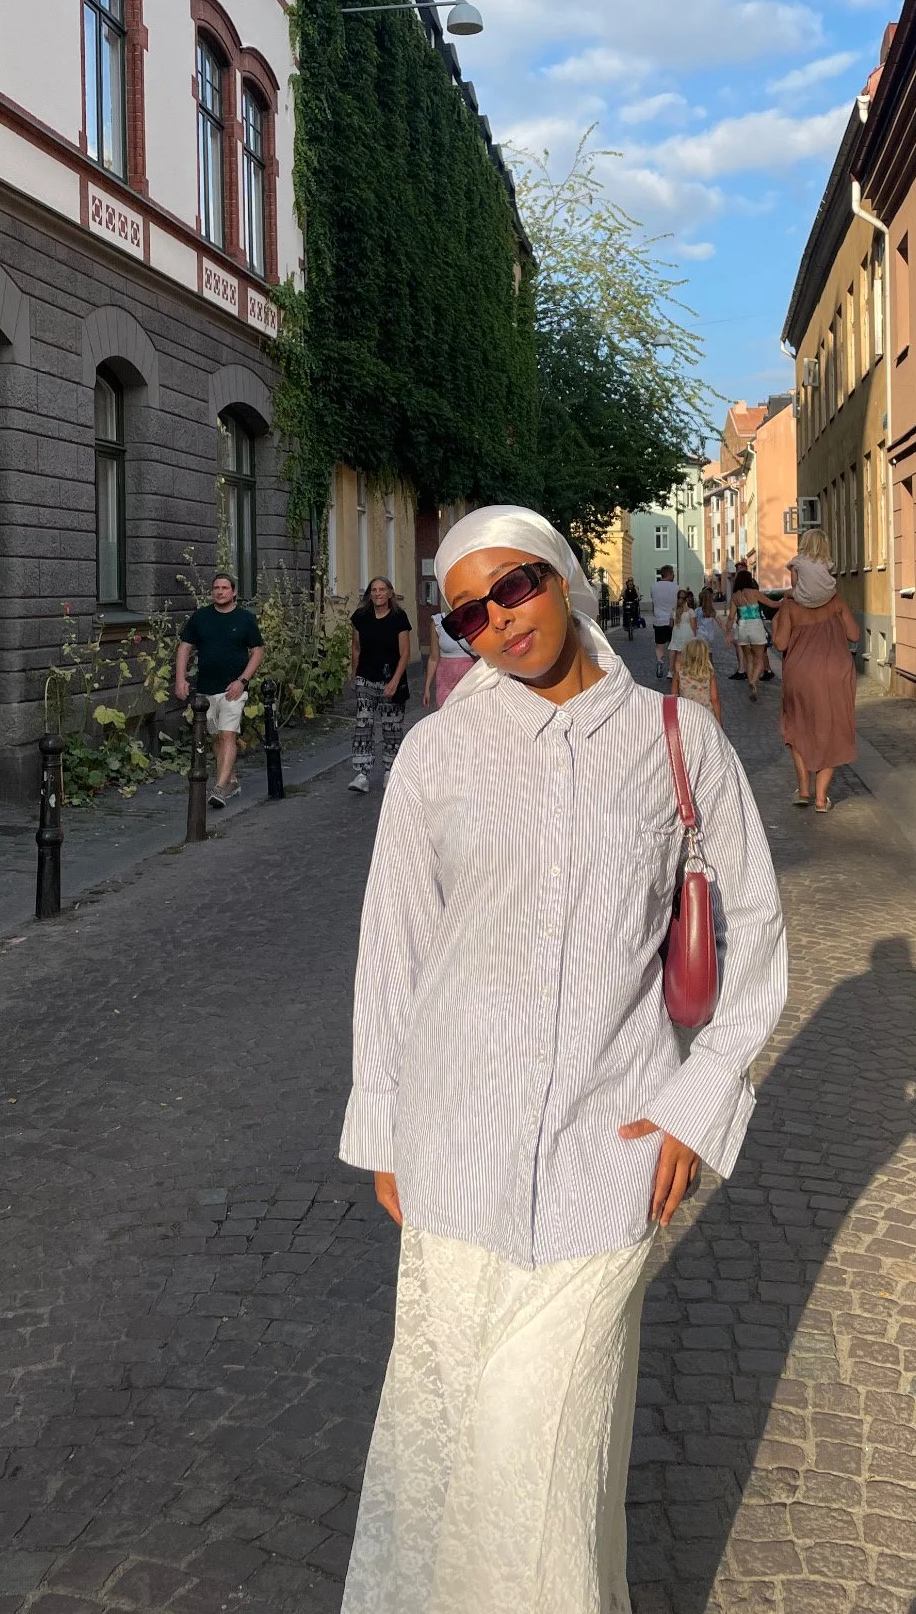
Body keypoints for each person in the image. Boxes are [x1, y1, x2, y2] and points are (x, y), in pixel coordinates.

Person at [338, 504, 787, 1614]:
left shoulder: (677, 741)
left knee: (539, 1442)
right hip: (456, 1143)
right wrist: (385, 1123)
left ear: (563, 578)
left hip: (605, 1150)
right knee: (440, 1434)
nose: (500, 620)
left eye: (516, 586)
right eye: (468, 613)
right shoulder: (439, 754)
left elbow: (755, 929)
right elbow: (393, 948)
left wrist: (696, 1100)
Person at [770, 528, 860, 812]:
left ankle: (804, 790)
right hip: (836, 673)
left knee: (798, 729)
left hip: (800, 675)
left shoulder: (791, 606)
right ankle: (821, 798)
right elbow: (854, 635)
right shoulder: (835, 601)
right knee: (832, 730)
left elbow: (780, 643)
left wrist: (779, 619)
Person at [174, 572, 264, 809]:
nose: (220, 592)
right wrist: (180, 678)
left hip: (233, 689)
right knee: (215, 737)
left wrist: (242, 681)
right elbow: (184, 647)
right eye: (216, 588)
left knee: (227, 734)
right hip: (206, 689)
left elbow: (257, 651)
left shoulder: (245, 619)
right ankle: (231, 780)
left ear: (233, 592)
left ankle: (219, 788)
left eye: (225, 588)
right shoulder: (201, 617)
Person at [349, 578, 412, 794]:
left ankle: (390, 769)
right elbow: (356, 647)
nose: (378, 593)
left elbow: (405, 653)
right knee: (363, 724)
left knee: (391, 727)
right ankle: (362, 773)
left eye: (382, 589)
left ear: (390, 593)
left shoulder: (398, 618)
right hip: (366, 677)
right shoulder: (361, 617)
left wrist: (395, 681)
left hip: (390, 679)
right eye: (374, 590)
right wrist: (355, 674)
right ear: (370, 594)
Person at [423, 610, 477, 710]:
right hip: (446, 683)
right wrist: (427, 688)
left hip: (471, 681)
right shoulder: (438, 622)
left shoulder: (477, 618)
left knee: (470, 714)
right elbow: (434, 658)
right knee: (446, 715)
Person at [729, 567, 769, 699]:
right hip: (756, 626)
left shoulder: (735, 596)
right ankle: (753, 682)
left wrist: (727, 632)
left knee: (749, 660)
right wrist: (786, 601)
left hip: (743, 628)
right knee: (760, 660)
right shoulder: (755, 593)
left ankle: (751, 684)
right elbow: (772, 604)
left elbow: (731, 617)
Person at [677, 635, 722, 726]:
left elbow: (674, 697)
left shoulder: (679, 674)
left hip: (686, 715)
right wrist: (718, 720)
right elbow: (715, 699)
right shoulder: (709, 675)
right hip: (706, 715)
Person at [650, 563, 678, 678]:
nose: (674, 575)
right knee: (673, 646)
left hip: (659, 620)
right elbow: (677, 604)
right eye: (673, 573)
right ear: (669, 574)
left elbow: (653, 600)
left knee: (659, 645)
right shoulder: (676, 587)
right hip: (672, 620)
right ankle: (671, 671)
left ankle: (660, 661)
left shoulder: (654, 586)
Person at [668, 589, 699, 692]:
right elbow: (693, 626)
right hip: (687, 632)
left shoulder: (673, 611)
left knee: (675, 652)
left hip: (677, 632)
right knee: (688, 653)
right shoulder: (690, 611)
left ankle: (672, 671)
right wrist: (695, 635)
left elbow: (670, 624)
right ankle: (689, 671)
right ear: (687, 599)